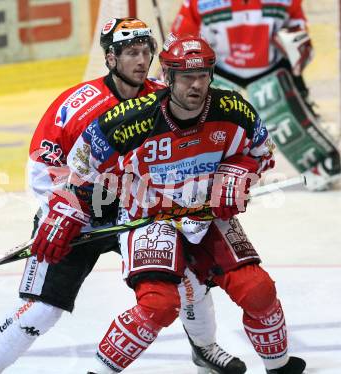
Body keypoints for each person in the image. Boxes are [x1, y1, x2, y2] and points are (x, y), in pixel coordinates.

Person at [0, 18, 245, 374]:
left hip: (135, 211)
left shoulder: (162, 96)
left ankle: (204, 348)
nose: (141, 60)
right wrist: (63, 210)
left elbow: (195, 142)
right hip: (77, 213)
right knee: (42, 309)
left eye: (146, 51)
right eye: (131, 52)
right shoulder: (79, 103)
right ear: (111, 58)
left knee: (191, 278)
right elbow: (43, 159)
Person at [38, 34, 307, 373]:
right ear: (167, 76)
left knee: (258, 290)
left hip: (206, 215)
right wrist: (66, 208)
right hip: (150, 219)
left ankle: (280, 368)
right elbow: (79, 166)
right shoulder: (128, 121)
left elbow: (262, 153)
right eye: (186, 77)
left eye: (203, 75)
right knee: (158, 305)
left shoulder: (233, 109)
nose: (196, 85)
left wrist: (238, 173)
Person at [171, 0, 340, 191]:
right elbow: (180, 38)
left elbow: (298, 31)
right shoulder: (197, 2)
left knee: (283, 114)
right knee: (210, 121)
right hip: (220, 70)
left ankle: (322, 163)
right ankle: (205, 176)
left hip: (270, 68)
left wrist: (297, 44)